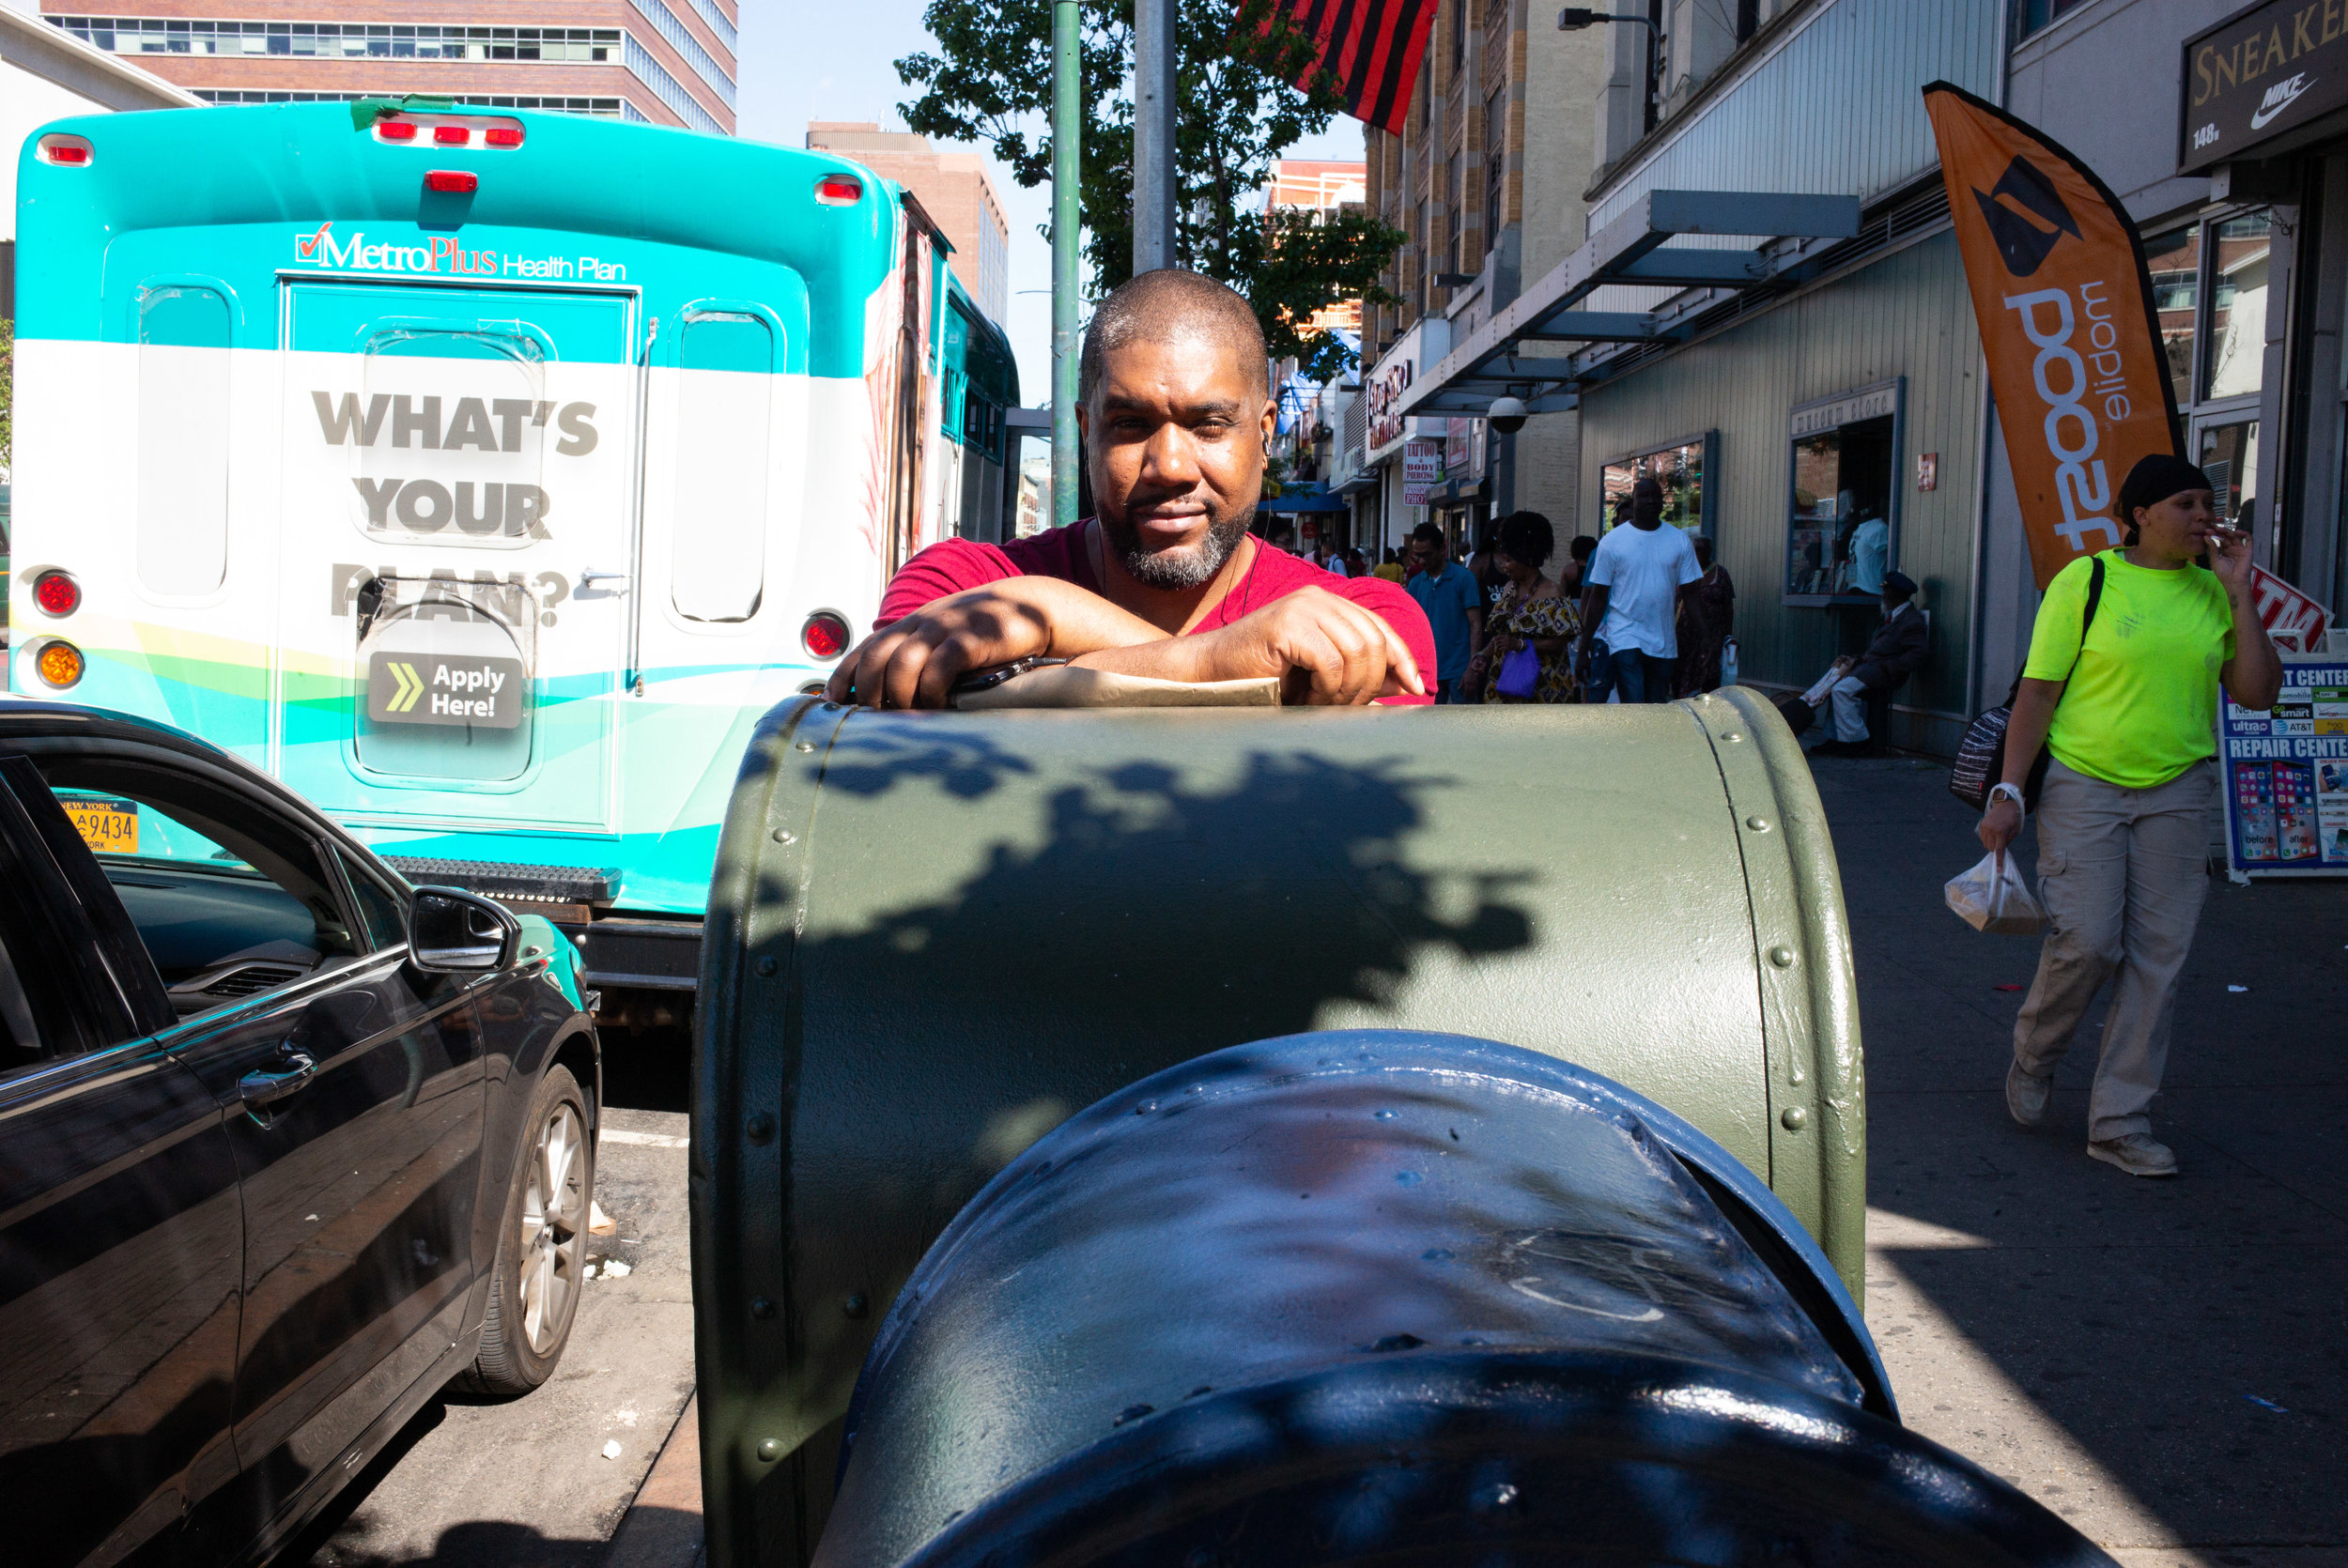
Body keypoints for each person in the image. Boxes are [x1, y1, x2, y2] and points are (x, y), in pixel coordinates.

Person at [826, 269, 1432, 708]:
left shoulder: (1368, 621)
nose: (1169, 465)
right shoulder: (964, 585)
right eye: (1129, 425)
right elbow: (903, 694)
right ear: (1085, 430)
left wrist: (1047, 633)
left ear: (1267, 432)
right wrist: (1219, 661)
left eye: (1210, 425)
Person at [1981, 454, 2281, 1178]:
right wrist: (2010, 790)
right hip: (2084, 785)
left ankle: (2120, 1121)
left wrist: (2241, 594)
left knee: (2159, 959)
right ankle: (2036, 1053)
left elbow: (2258, 694)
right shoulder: (2086, 582)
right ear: (2141, 513)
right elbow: (2039, 694)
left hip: (2179, 791)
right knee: (2087, 941)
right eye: (2186, 504)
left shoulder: (2214, 594)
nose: (2203, 518)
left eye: (2209, 505)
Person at [1577, 478, 1700, 703]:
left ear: (1664, 502)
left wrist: (1705, 639)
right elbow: (1597, 598)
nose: (1651, 501)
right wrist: (1583, 647)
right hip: (1624, 637)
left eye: (1657, 496)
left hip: (1663, 642)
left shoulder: (1679, 541)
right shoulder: (1612, 542)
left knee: (1655, 708)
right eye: (1644, 496)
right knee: (1634, 703)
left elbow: (1691, 595)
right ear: (1633, 501)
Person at [1461, 512, 1577, 703]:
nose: (1504, 566)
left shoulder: (1552, 593)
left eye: (1508, 560)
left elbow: (1561, 641)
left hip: (1543, 685)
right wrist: (1483, 654)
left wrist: (1521, 645)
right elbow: (1502, 636)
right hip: (1507, 682)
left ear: (1527, 560)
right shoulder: (1509, 589)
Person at [1808, 570, 1926, 756]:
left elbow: (1918, 654)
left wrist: (1890, 667)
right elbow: (1879, 650)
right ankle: (1836, 738)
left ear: (1895, 594)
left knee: (1842, 690)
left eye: (1886, 591)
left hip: (1884, 673)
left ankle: (1856, 741)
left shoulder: (1910, 620)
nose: (1883, 595)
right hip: (1871, 669)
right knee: (1833, 687)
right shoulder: (1893, 617)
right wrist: (1855, 659)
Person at [1405, 521, 1486, 703]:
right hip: (1427, 672)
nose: (1422, 561)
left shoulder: (1464, 578)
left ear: (1442, 548)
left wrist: (1471, 667)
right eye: (1418, 556)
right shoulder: (1416, 584)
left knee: (1464, 726)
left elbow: (1475, 624)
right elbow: (1411, 628)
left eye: (1427, 555)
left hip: (1459, 670)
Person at [1676, 536, 1736, 696]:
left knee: (1709, 675)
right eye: (1697, 550)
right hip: (1685, 637)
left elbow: (1728, 607)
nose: (1700, 553)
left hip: (1713, 635)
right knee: (1681, 675)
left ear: (1710, 552)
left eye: (1704, 550)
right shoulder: (1683, 571)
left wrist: (1728, 635)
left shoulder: (1720, 574)